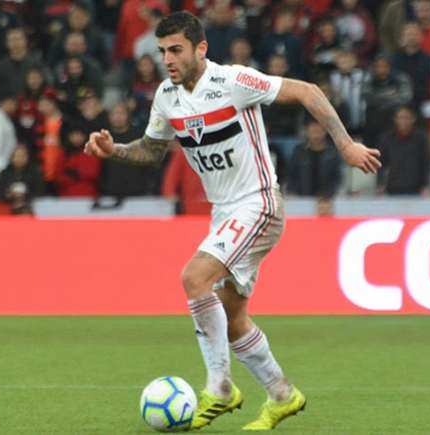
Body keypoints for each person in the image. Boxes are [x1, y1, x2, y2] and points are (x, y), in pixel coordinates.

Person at [83, 12, 380, 431]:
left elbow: (309, 91)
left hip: (259, 204)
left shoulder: (234, 81)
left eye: (176, 50)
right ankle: (282, 395)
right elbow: (152, 150)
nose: (167, 59)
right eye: (162, 50)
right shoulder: (167, 96)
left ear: (201, 49)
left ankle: (220, 387)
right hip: (224, 213)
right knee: (232, 313)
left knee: (193, 278)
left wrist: (346, 145)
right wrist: (114, 149)